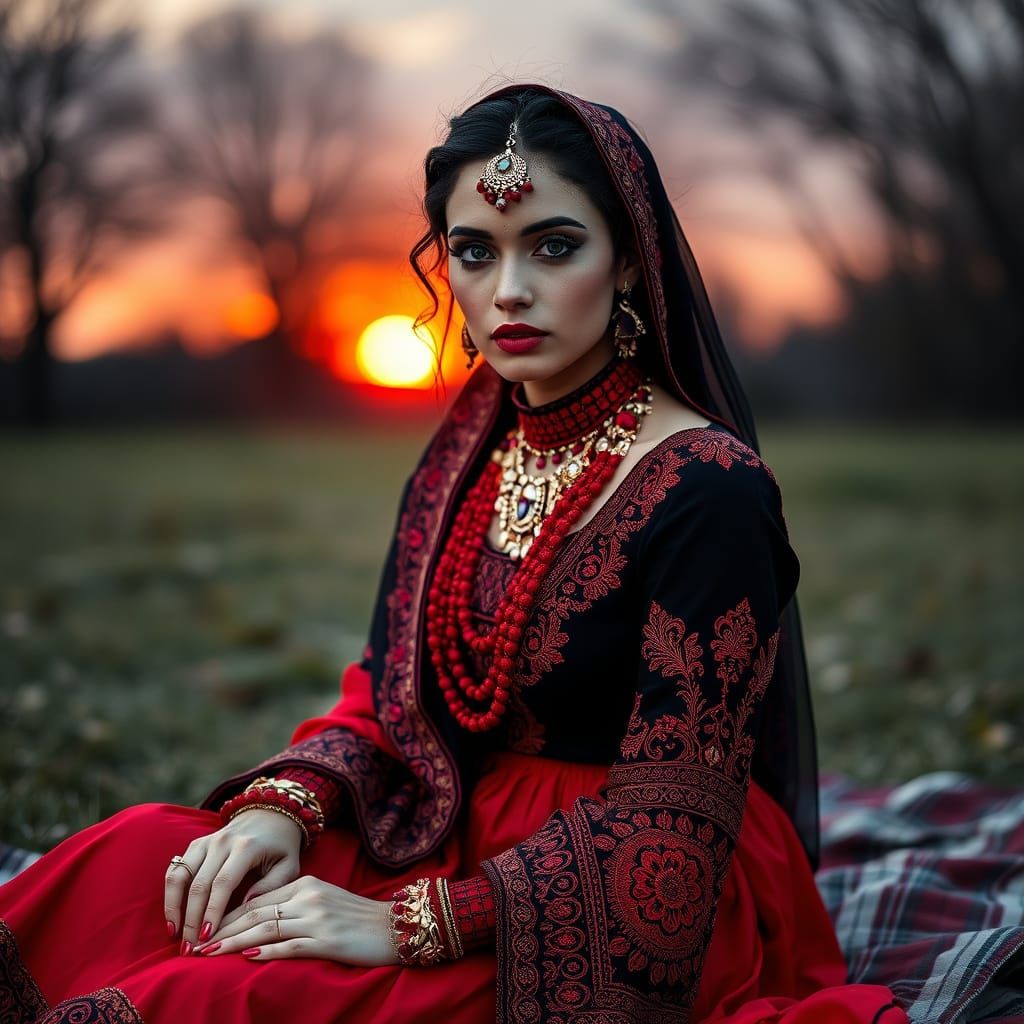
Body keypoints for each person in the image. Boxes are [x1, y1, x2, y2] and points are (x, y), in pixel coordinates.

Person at [0, 84, 908, 1023]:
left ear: (631, 261)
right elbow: (395, 693)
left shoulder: (709, 491)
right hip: (446, 819)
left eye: (554, 247)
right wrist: (287, 803)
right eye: (474, 252)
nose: (508, 291)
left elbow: (668, 843)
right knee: (135, 864)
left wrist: (407, 926)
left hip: (622, 903)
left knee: (227, 990)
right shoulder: (476, 452)